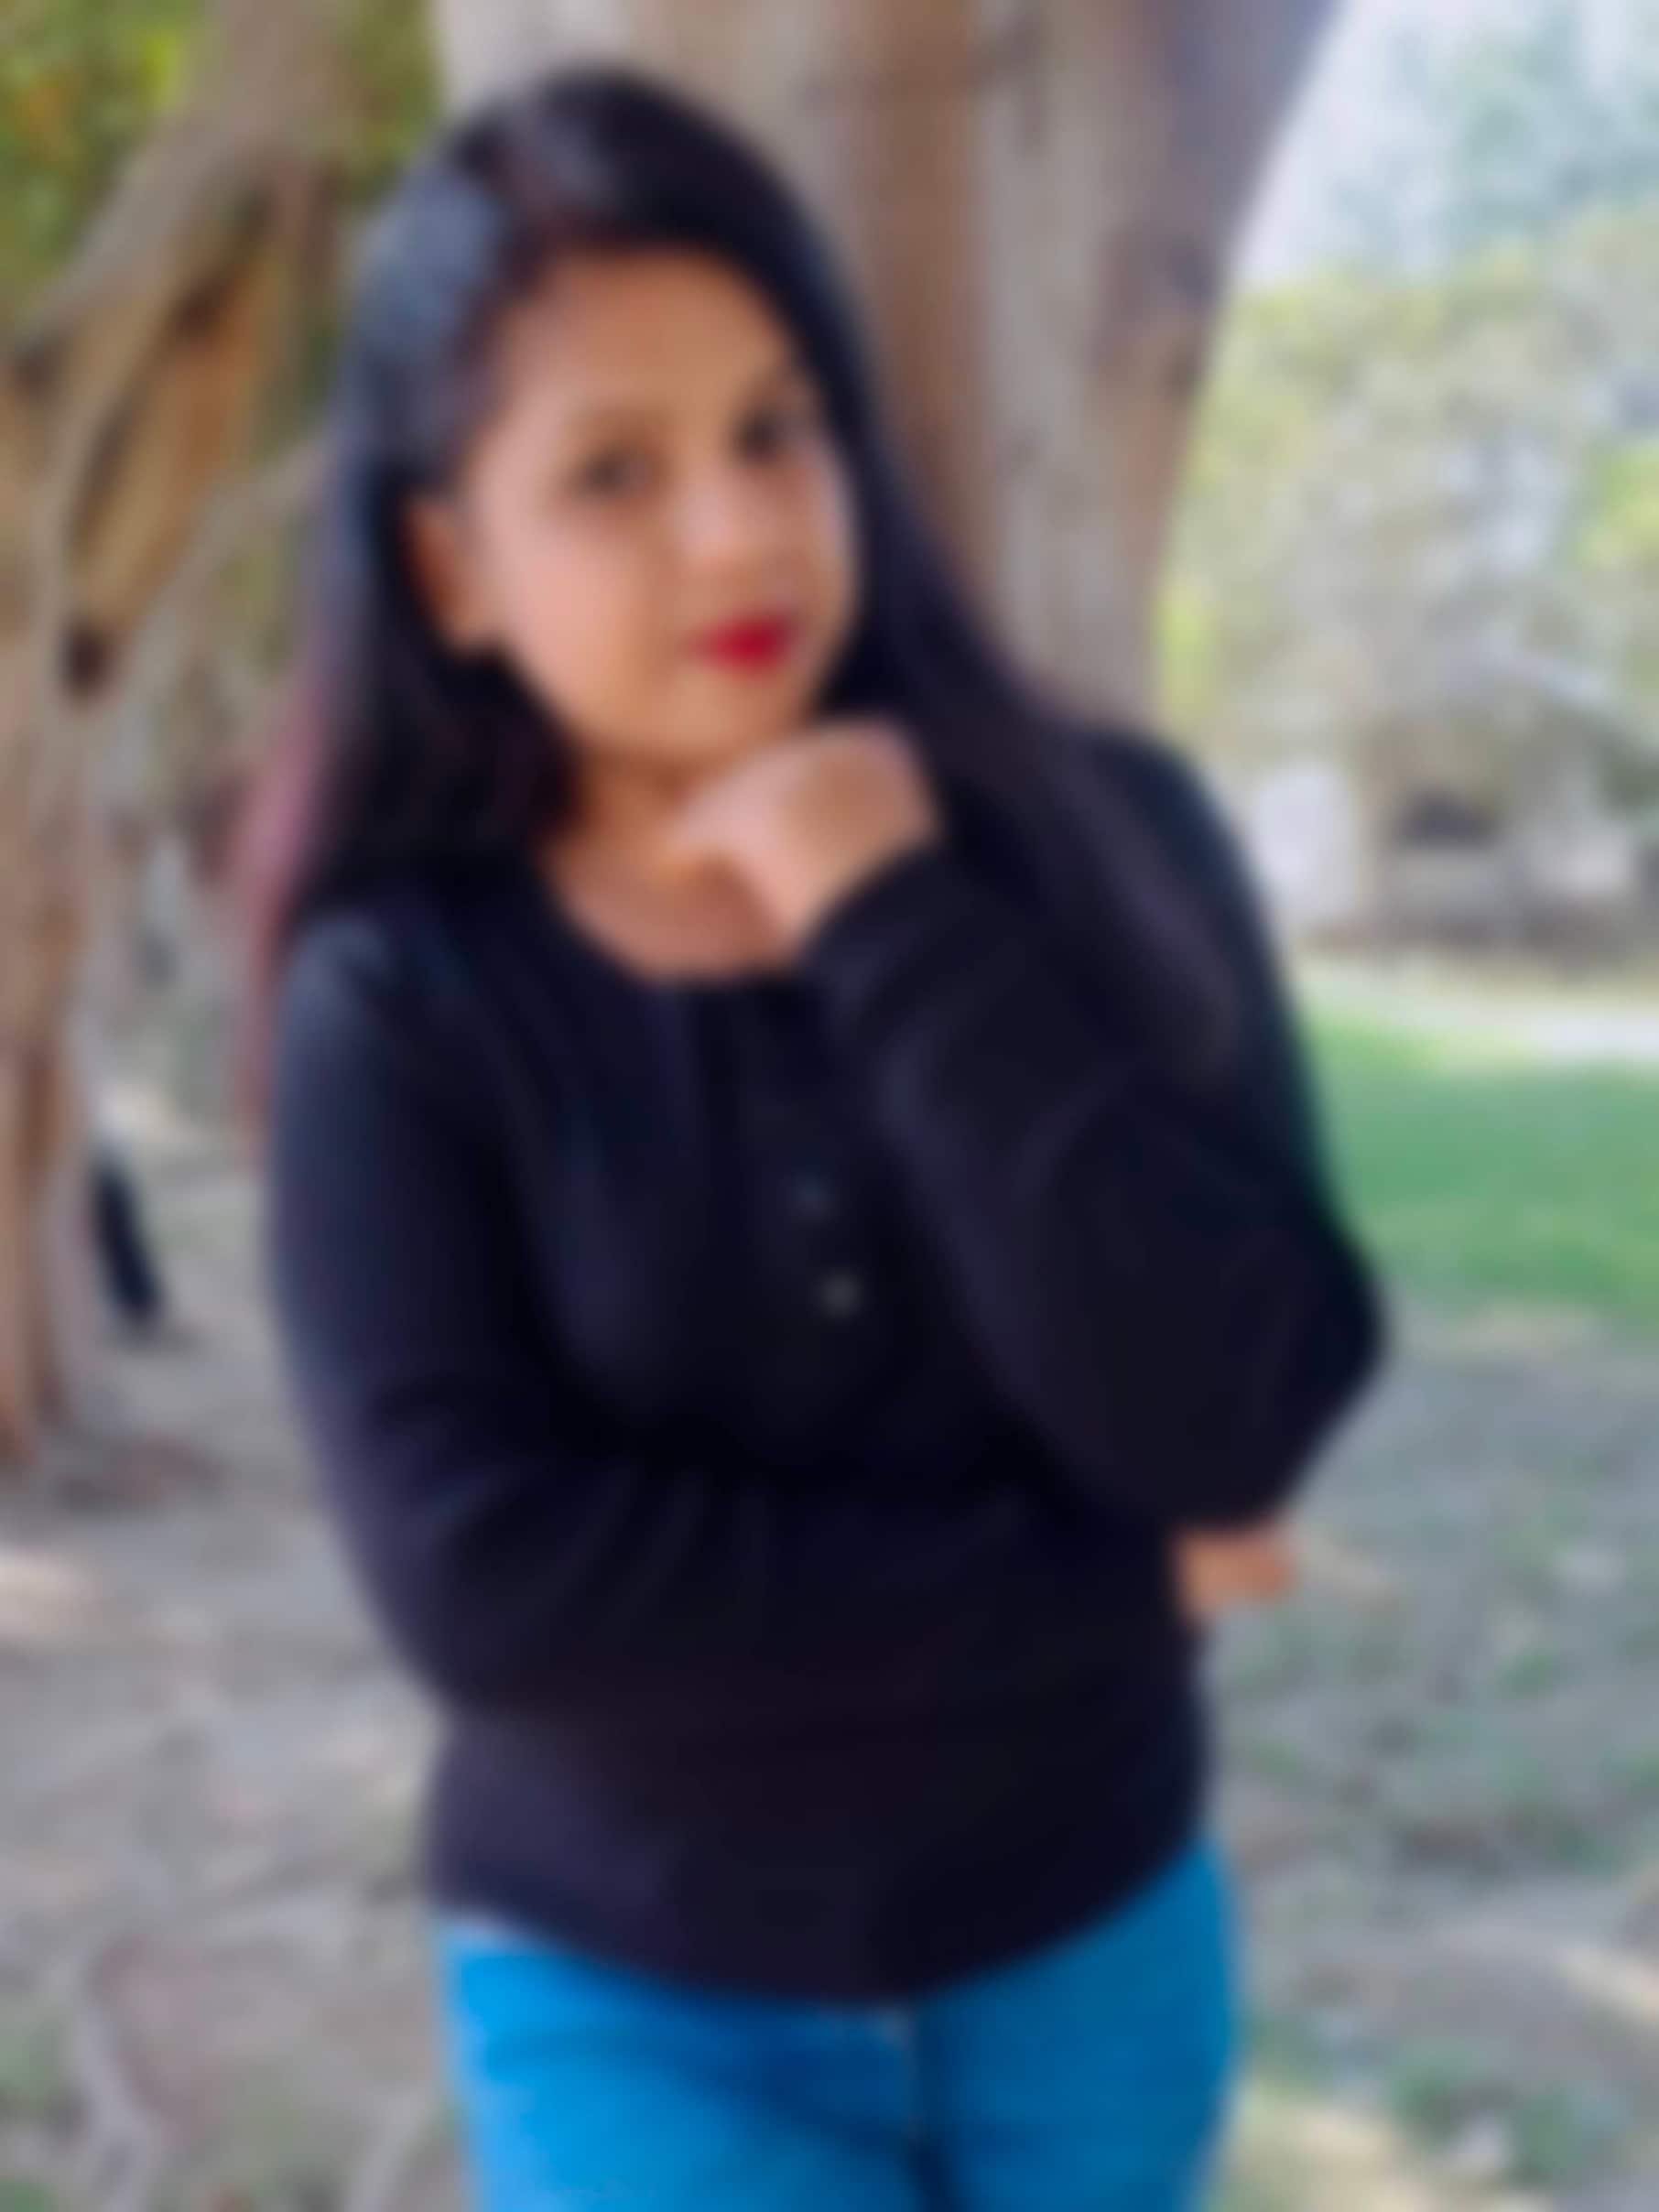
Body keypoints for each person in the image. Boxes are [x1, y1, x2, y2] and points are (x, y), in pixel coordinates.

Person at [239, 63, 1388, 2211]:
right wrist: (1107, 1585)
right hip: (638, 1989)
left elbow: (1237, 1406)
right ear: (451, 566)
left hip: (1094, 1938)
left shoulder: (1107, 840)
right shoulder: (400, 1002)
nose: (743, 529)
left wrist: (887, 912)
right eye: (616, 471)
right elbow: (497, 1585)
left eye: (778, 428)